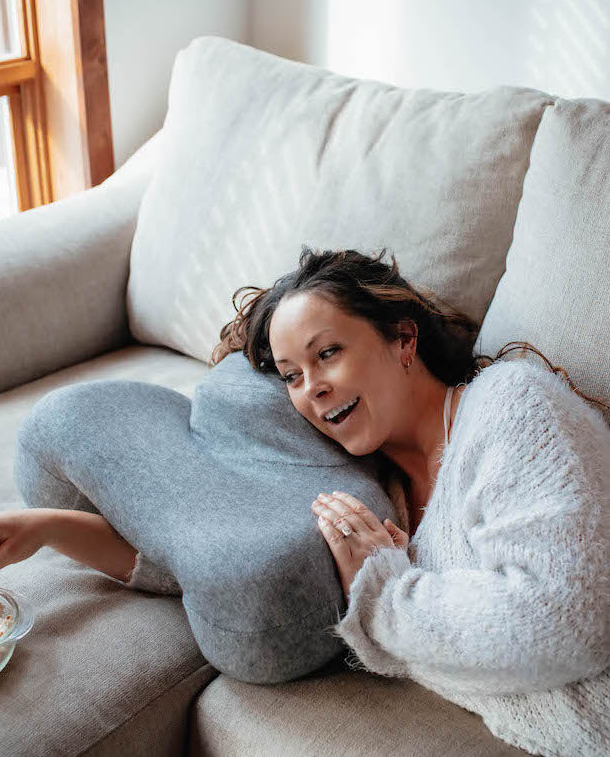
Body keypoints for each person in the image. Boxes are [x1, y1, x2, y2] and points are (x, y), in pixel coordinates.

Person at [207, 246, 610, 757]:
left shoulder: (514, 405)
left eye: (327, 353)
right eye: (291, 375)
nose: (313, 389)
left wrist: (388, 597)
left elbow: (566, 623)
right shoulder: (381, 498)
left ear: (403, 339)